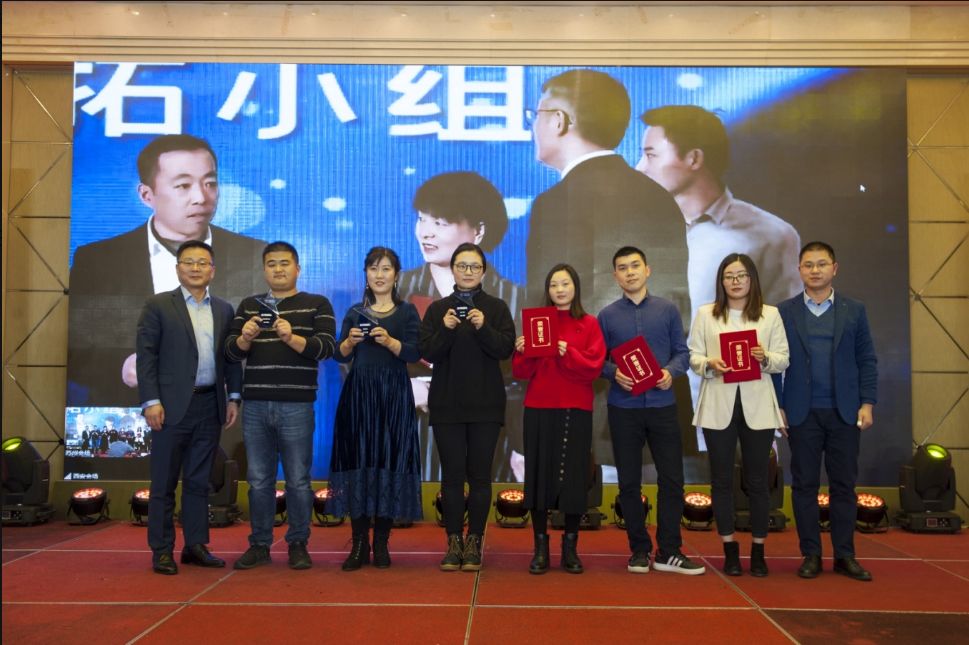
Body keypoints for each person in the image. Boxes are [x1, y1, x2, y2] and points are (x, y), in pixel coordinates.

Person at [68, 134, 265, 407]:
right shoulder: (99, 260)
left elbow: (266, 346)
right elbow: (76, 348)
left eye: (210, 183)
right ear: (147, 195)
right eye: (183, 185)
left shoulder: (254, 255)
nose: (201, 197)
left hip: (221, 412)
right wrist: (121, 368)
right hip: (132, 410)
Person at [526, 69, 686, 319]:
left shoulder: (555, 203)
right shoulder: (660, 197)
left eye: (536, 115)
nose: (533, 126)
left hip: (578, 344)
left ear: (559, 120)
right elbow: (677, 299)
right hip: (650, 343)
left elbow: (543, 304)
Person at [398, 171, 526, 482]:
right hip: (413, 427)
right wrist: (400, 389)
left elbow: (524, 378)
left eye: (440, 223)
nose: (426, 233)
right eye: (421, 219)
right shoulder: (398, 290)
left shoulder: (513, 298)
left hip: (489, 430)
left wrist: (522, 443)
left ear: (478, 231)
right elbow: (363, 360)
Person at [226, 241, 336, 571]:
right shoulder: (249, 305)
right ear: (264, 270)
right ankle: (259, 544)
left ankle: (298, 543)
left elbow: (326, 348)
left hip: (297, 406)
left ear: (298, 268)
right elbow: (231, 352)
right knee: (259, 480)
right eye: (271, 264)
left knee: (298, 481)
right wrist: (245, 337)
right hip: (256, 406)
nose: (278, 269)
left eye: (285, 263)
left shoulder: (317, 304)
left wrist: (291, 337)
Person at [135, 240, 241, 575]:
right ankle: (162, 550)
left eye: (202, 262)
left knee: (199, 481)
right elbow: (146, 357)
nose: (196, 268)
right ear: (178, 268)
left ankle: (195, 545)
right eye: (189, 262)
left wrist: (234, 397)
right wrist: (151, 401)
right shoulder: (158, 305)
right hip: (169, 407)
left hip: (210, 404)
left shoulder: (223, 309)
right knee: (163, 483)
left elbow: (231, 358)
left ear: (213, 270)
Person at [773, 241, 878, 582]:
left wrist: (867, 402)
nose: (815, 270)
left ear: (835, 268)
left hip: (844, 412)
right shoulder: (783, 312)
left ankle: (845, 555)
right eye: (808, 265)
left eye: (821, 264)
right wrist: (779, 407)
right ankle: (811, 554)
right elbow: (774, 365)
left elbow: (867, 359)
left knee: (844, 486)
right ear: (799, 270)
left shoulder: (854, 310)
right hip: (801, 412)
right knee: (804, 485)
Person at [597, 246, 704, 576]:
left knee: (672, 480)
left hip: (662, 406)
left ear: (648, 270)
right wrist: (614, 372)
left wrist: (670, 372)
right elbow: (596, 360)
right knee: (629, 482)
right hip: (623, 407)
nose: (629, 272)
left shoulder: (667, 310)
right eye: (622, 268)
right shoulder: (607, 316)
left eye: (635, 266)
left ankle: (669, 551)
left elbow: (682, 353)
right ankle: (639, 550)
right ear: (615, 276)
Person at [688, 253, 789, 577]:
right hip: (718, 404)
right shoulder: (706, 314)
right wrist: (709, 364)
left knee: (758, 481)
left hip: (758, 406)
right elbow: (694, 356)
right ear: (721, 281)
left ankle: (758, 550)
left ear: (751, 279)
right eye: (729, 276)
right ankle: (729, 549)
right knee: (721, 480)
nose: (735, 281)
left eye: (741, 275)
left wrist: (765, 357)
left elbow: (783, 358)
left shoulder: (770, 314)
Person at [419, 242, 515, 572]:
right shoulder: (438, 310)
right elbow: (427, 353)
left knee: (480, 478)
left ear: (483, 271)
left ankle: (474, 540)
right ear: (453, 269)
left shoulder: (496, 307)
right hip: (447, 405)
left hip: (486, 405)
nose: (468, 272)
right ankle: (453, 541)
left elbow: (505, 350)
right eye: (462, 266)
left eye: (474, 266)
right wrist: (445, 330)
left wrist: (482, 326)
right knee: (451, 478)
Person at [330, 247, 424, 571]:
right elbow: (339, 354)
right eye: (373, 268)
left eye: (386, 269)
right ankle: (358, 543)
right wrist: (350, 341)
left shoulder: (407, 312)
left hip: (393, 395)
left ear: (396, 275)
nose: (379, 275)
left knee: (388, 461)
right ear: (366, 274)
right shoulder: (355, 311)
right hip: (359, 394)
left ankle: (382, 542)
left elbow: (414, 352)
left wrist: (389, 342)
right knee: (358, 462)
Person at [512, 264, 605, 574]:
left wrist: (568, 352)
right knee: (539, 476)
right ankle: (540, 548)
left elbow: (594, 367)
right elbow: (521, 372)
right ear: (548, 290)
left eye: (565, 284)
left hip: (575, 408)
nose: (560, 289)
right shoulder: (538, 323)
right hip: (539, 406)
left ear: (575, 287)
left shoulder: (589, 323)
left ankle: (571, 547)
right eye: (554, 285)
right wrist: (523, 350)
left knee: (575, 477)